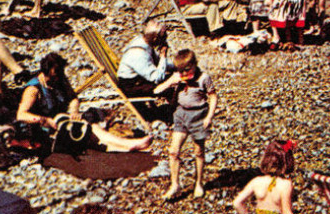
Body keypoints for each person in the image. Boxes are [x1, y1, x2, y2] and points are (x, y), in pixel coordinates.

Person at [15, 52, 151, 155]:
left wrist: (74, 111)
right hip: (43, 128)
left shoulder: (60, 80)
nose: (57, 79)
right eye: (54, 76)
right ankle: (127, 145)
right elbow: (21, 115)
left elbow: (73, 98)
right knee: (85, 132)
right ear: (45, 74)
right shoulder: (33, 89)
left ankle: (125, 146)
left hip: (60, 120)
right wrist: (43, 119)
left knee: (87, 127)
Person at [156, 48, 217, 201]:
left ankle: (199, 183)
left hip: (198, 115)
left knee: (198, 152)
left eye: (187, 70)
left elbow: (213, 97)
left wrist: (209, 116)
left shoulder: (204, 78)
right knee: (173, 151)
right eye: (180, 71)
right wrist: (170, 83)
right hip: (181, 114)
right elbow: (157, 90)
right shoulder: (178, 77)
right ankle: (175, 184)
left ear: (195, 64)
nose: (184, 74)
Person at [116, 21, 171, 100]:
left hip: (140, 78)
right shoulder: (138, 54)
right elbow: (156, 78)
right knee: (170, 84)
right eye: (162, 39)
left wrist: (175, 65)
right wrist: (163, 56)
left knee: (172, 77)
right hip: (132, 87)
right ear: (155, 38)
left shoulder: (143, 41)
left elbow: (157, 61)